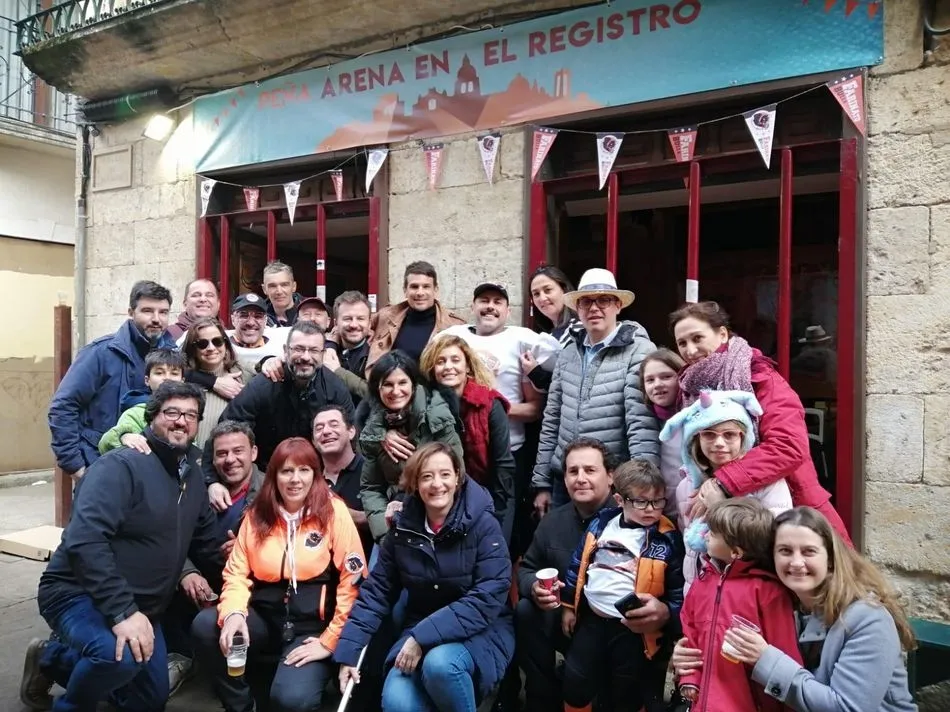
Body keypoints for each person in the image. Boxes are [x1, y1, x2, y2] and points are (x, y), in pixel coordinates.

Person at [20, 382, 222, 712]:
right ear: (151, 416)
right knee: (121, 657)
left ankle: (53, 658)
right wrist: (123, 613)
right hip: (78, 593)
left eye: (190, 415)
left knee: (148, 699)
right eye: (171, 412)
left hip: (143, 605)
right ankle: (72, 704)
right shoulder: (120, 466)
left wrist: (247, 578)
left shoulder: (192, 477)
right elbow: (84, 541)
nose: (181, 421)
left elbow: (207, 542)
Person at [672, 507, 918, 712]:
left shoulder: (868, 619)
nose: (796, 562)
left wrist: (766, 659)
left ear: (831, 558)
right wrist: (692, 660)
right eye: (785, 551)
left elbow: (847, 708)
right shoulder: (778, 602)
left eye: (809, 551)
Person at [335, 442, 515, 712]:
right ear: (415, 484)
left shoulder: (484, 524)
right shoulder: (402, 528)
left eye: (444, 474)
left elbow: (489, 597)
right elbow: (376, 593)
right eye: (426, 476)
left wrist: (421, 638)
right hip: (418, 628)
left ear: (457, 477)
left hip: (480, 630)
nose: (437, 484)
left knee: (440, 666)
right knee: (397, 701)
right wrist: (349, 654)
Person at [191, 437, 365, 712]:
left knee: (291, 700)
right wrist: (234, 614)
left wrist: (330, 640)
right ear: (274, 475)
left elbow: (352, 581)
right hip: (263, 617)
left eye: (304, 470)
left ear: (315, 474)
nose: (295, 479)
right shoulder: (258, 513)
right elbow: (236, 572)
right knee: (206, 625)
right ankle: (241, 706)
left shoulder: (333, 512)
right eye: (286, 471)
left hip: (311, 627)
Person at [669, 301, 850, 542]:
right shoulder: (690, 387)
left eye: (697, 338)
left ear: (722, 334)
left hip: (790, 505)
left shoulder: (760, 378)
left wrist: (723, 482)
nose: (690, 350)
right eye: (682, 343)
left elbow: (788, 446)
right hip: (720, 512)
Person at [532, 268, 660, 515]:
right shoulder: (568, 353)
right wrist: (542, 482)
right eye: (586, 301)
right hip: (565, 478)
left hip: (613, 479)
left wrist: (643, 485)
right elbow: (552, 420)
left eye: (604, 300)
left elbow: (641, 423)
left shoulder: (639, 351)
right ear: (577, 308)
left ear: (618, 306)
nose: (594, 308)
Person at [559, 460, 685, 712]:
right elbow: (578, 565)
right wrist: (568, 606)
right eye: (641, 501)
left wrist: (669, 617)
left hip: (632, 630)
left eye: (658, 501)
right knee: (576, 680)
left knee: (626, 691)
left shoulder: (667, 539)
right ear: (619, 500)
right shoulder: (601, 524)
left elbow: (677, 591)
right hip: (592, 619)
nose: (650, 509)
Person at [515, 438, 618, 712]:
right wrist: (534, 587)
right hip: (564, 621)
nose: (580, 479)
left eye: (589, 470)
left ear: (611, 476)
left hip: (612, 628)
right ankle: (541, 696)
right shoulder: (554, 521)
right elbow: (527, 568)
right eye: (573, 471)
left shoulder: (628, 520)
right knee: (526, 609)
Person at [165, 420, 266, 695]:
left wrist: (251, 549)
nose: (230, 460)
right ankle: (180, 657)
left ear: (254, 452)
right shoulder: (194, 487)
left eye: (238, 451)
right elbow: (169, 536)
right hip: (201, 580)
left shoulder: (272, 491)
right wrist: (186, 571)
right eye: (222, 454)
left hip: (251, 590)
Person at [678, 499, 802, 712]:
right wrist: (689, 677)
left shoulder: (767, 591)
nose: (705, 535)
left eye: (713, 534)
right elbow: (689, 632)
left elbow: (785, 652)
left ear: (736, 552)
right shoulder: (703, 580)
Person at [661, 389, 792, 590]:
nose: (719, 443)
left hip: (748, 592)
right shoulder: (686, 485)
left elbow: (776, 539)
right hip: (699, 591)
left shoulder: (768, 482)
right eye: (709, 435)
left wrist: (722, 507)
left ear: (743, 437)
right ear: (697, 439)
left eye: (729, 434)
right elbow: (688, 544)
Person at [49, 280, 176, 479]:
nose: (156, 319)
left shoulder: (173, 357)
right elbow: (63, 406)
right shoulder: (100, 353)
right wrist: (75, 466)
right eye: (148, 311)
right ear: (130, 312)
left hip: (153, 473)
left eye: (163, 312)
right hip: (101, 466)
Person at [210, 321, 354, 475]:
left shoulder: (335, 388)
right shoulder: (264, 384)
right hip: (266, 475)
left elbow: (350, 439)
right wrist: (212, 480)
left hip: (318, 474)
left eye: (313, 350)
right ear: (286, 351)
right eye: (298, 349)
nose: (306, 357)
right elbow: (227, 428)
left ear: (323, 354)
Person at [359, 350, 465, 545]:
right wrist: (385, 534)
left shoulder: (437, 415)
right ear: (378, 390)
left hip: (441, 516)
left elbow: (458, 473)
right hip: (395, 523)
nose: (395, 391)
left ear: (414, 385)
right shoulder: (375, 429)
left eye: (402, 383)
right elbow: (371, 487)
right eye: (388, 385)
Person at [419, 334, 516, 540]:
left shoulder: (489, 403)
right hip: (443, 495)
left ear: (468, 367)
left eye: (455, 360)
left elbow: (503, 463)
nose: (448, 367)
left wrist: (496, 512)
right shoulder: (423, 404)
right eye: (440, 361)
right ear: (432, 369)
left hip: (492, 493)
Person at [365, 261, 465, 372]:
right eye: (414, 287)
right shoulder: (386, 317)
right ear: (405, 290)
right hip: (393, 387)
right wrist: (366, 330)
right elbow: (353, 326)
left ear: (435, 290)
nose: (420, 292)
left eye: (426, 286)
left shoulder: (455, 326)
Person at [312, 405, 374, 559]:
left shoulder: (374, 472)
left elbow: (390, 518)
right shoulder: (310, 482)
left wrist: (340, 513)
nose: (326, 431)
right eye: (319, 428)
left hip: (369, 571)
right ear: (313, 441)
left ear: (351, 431)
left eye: (334, 424)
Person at [98, 348, 186, 453]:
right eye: (159, 373)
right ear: (147, 380)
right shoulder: (135, 414)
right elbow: (106, 444)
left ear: (182, 381)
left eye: (174, 373)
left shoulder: (187, 414)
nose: (167, 378)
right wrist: (123, 436)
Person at [182, 318, 254, 447]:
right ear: (193, 348)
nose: (211, 348)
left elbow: (267, 369)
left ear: (225, 344)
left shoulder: (243, 372)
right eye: (202, 344)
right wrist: (212, 381)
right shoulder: (183, 380)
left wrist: (269, 361)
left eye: (217, 341)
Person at [640, 348, 686, 518]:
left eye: (666, 377)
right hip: (660, 516)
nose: (657, 384)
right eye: (650, 380)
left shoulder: (697, 417)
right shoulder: (646, 423)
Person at [523, 265, 580, 392]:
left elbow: (577, 384)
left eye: (548, 290)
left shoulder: (578, 330)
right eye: (536, 294)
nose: (542, 298)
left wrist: (536, 373)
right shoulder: (548, 334)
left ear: (564, 290)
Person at [226, 293, 288, 373]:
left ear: (266, 320)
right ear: (233, 319)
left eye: (258, 316)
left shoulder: (281, 339)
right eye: (244, 315)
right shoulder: (219, 343)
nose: (251, 323)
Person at [262, 261, 303, 327]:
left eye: (284, 285)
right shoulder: (257, 317)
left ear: (294, 286)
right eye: (273, 286)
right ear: (264, 289)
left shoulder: (311, 313)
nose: (279, 291)